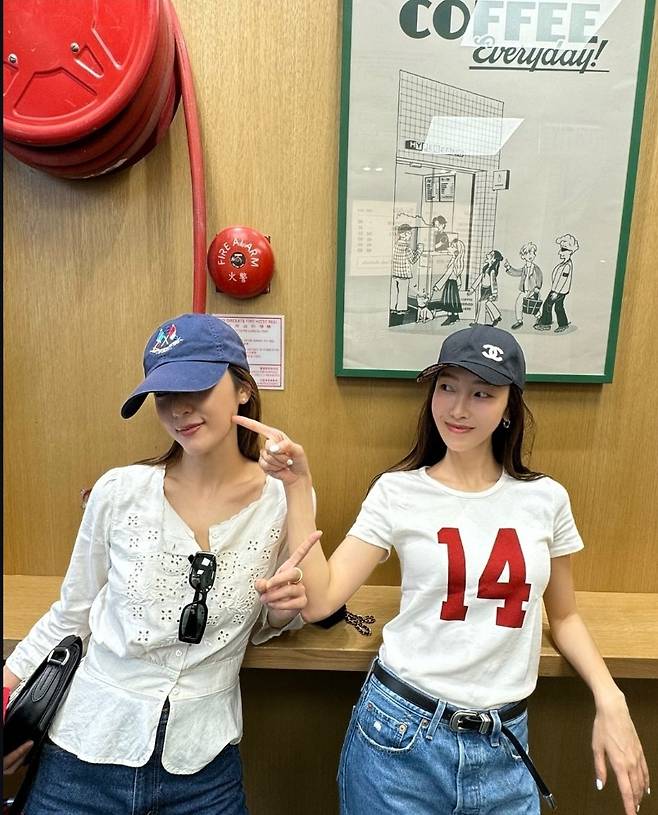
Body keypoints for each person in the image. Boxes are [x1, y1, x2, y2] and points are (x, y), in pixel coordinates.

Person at [235, 325, 650, 815]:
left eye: (482, 394)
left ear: (509, 408)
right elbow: (323, 599)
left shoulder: (546, 499)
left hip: (505, 744)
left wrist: (610, 697)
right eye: (447, 387)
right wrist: (296, 485)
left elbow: (565, 617)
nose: (458, 408)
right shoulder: (397, 491)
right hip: (399, 736)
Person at [3, 313, 310, 815]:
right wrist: (5, 693)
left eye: (196, 386)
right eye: (164, 394)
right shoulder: (119, 491)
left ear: (243, 389)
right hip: (84, 754)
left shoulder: (283, 498)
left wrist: (281, 612)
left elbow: (272, 616)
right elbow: (71, 614)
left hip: (204, 768)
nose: (179, 409)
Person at [534, 234, 579, 333]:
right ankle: (563, 323)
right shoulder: (564, 264)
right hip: (558, 290)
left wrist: (555, 292)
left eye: (563, 250)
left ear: (570, 251)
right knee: (559, 306)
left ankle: (546, 324)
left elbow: (562, 281)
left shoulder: (567, 266)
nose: (560, 252)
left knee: (547, 305)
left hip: (558, 291)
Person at [503, 241, 543, 330]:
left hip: (533, 291)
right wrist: (508, 268)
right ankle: (519, 321)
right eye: (527, 253)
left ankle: (539, 317)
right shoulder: (524, 268)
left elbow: (539, 277)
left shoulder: (536, 268)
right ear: (523, 256)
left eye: (532, 253)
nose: (530, 255)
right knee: (519, 303)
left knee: (533, 306)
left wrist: (537, 287)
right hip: (525, 290)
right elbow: (517, 272)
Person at [432, 237, 465, 326]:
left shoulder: (454, 262)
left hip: (450, 283)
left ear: (457, 251)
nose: (450, 248)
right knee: (454, 300)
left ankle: (451, 318)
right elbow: (458, 275)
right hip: (454, 284)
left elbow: (447, 275)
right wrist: (459, 283)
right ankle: (456, 316)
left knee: (449, 301)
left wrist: (438, 286)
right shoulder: (458, 261)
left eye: (452, 247)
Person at [468, 249, 503, 327]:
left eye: (490, 254)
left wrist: (494, 293)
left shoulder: (492, 271)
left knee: (482, 303)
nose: (487, 255)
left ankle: (479, 323)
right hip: (483, 289)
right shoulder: (485, 268)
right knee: (488, 303)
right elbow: (479, 278)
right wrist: (472, 288)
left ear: (493, 260)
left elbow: (493, 282)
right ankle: (497, 316)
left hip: (488, 289)